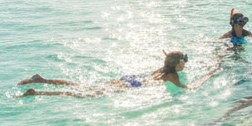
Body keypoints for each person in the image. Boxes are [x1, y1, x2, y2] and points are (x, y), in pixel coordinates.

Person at [14, 50, 208, 97]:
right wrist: (209, 76)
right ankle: (39, 92)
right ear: (178, 63)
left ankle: (43, 80)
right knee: (87, 95)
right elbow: (189, 88)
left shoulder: (163, 70)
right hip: (134, 85)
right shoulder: (172, 76)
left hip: (130, 79)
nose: (186, 63)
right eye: (184, 60)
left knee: (83, 87)